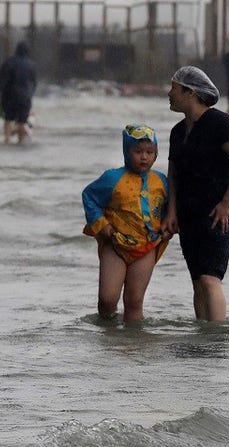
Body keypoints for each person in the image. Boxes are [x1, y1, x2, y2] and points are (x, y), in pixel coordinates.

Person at [162, 66, 229, 323]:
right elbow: (173, 175)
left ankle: (217, 336)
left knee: (211, 277)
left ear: (190, 92)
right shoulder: (177, 132)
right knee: (198, 280)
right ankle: (203, 334)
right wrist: (172, 212)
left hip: (218, 211)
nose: (169, 93)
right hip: (189, 212)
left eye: (174, 88)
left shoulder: (220, 122)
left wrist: (226, 203)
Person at [81, 125, 170, 323]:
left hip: (147, 246)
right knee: (107, 299)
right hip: (115, 245)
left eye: (149, 152)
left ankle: (133, 338)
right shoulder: (112, 178)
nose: (144, 157)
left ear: (156, 154)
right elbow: (89, 196)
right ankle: (108, 333)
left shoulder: (161, 181)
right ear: (126, 152)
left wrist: (168, 224)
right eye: (137, 152)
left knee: (134, 301)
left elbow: (171, 207)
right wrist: (101, 224)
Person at [0, 42, 37, 144]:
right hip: (25, 99)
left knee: (8, 119)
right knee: (22, 122)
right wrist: (29, 95)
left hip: (10, 97)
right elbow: (34, 84)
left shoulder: (9, 62)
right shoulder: (32, 65)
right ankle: (21, 142)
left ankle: (7, 140)